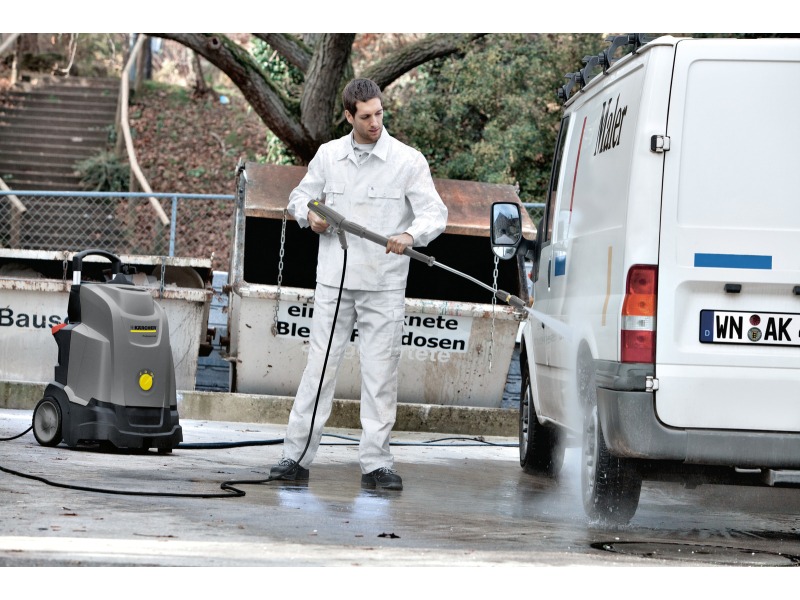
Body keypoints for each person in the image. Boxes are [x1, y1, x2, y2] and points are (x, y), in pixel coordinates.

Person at [270, 78, 448, 490]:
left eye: (379, 114)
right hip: (335, 282)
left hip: (384, 285)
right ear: (348, 115)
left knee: (380, 374)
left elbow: (434, 213)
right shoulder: (329, 156)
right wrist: (310, 216)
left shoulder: (407, 160)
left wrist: (411, 235)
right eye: (365, 116)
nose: (375, 123)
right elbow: (299, 197)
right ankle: (295, 457)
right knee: (319, 369)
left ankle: (377, 464)